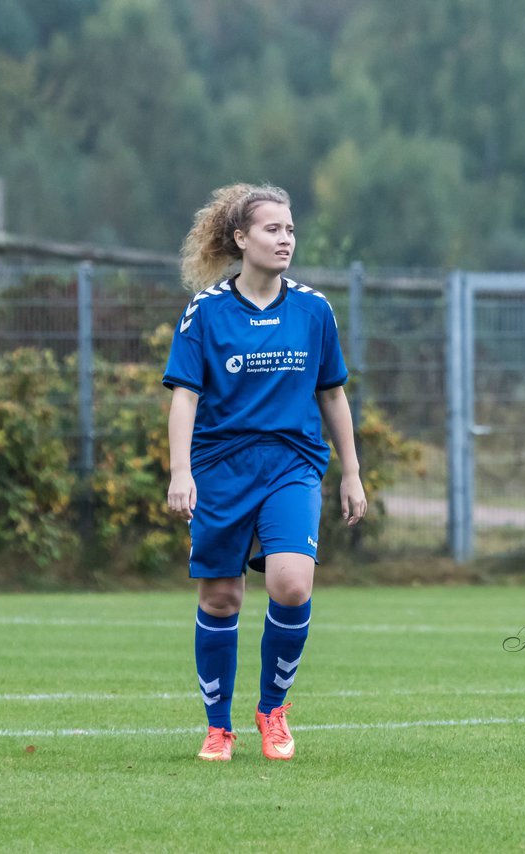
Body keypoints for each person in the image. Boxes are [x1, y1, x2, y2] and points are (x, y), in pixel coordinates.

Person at [163, 184, 367, 762]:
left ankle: (272, 710)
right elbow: (184, 396)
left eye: (291, 229)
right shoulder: (205, 312)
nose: (286, 240)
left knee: (292, 583)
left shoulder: (313, 309)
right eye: (273, 229)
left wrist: (351, 472)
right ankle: (217, 726)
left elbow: (333, 395)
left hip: (293, 465)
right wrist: (182, 473)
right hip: (220, 469)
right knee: (223, 597)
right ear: (241, 238)